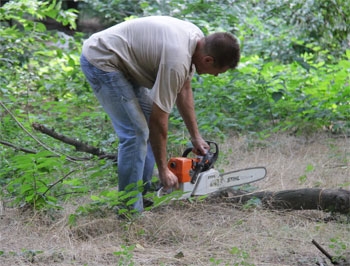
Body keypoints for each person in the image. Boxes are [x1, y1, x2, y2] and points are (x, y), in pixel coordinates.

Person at [80, 16, 240, 213]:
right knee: (136, 132)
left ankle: (143, 194)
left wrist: (195, 137)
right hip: (102, 60)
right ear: (208, 60)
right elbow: (159, 121)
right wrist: (163, 170)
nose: (215, 76)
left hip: (125, 64)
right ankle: (129, 209)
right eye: (217, 72)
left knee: (143, 128)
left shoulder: (197, 40)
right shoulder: (177, 60)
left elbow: (184, 89)